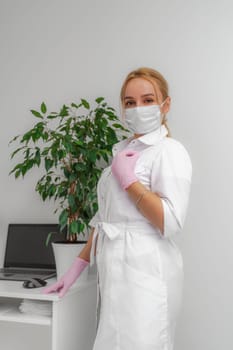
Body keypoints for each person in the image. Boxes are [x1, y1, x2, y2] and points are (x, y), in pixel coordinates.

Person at [43, 67, 192, 350]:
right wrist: (75, 270)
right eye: (129, 102)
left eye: (148, 100)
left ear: (166, 105)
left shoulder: (169, 151)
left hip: (146, 273)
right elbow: (105, 220)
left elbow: (170, 222)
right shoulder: (122, 151)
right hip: (114, 273)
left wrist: (130, 182)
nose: (138, 108)